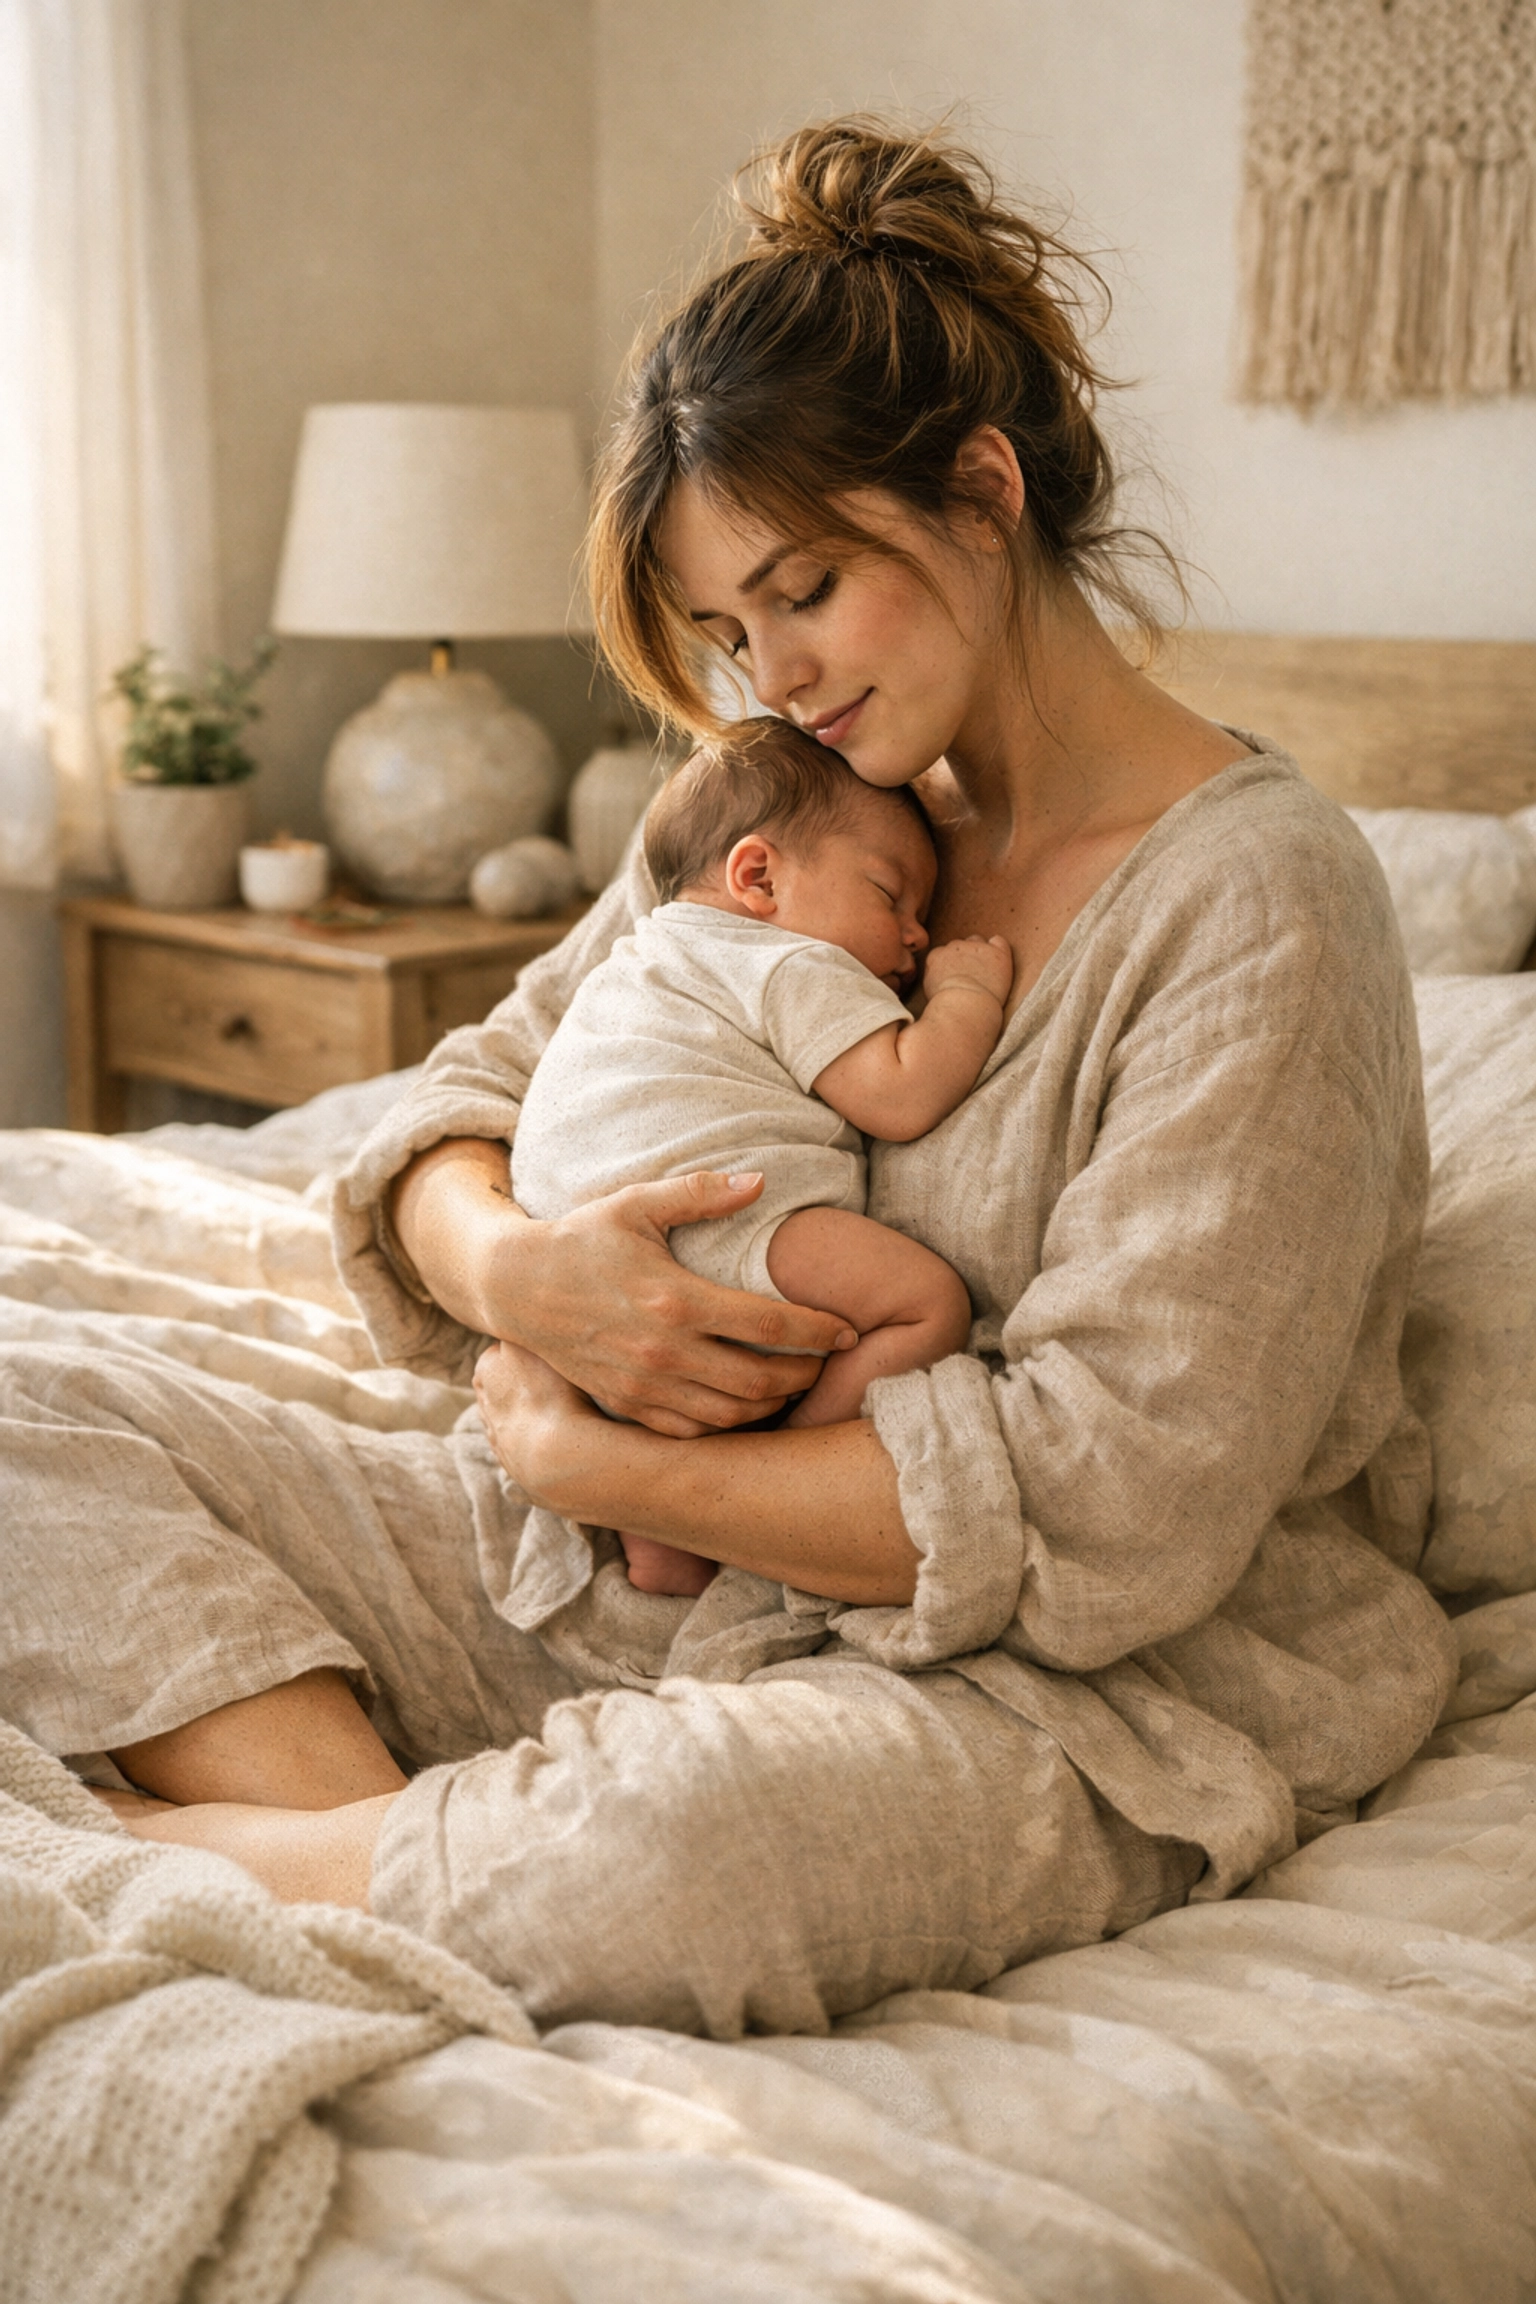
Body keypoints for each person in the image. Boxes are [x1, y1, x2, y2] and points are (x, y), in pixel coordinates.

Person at [3, 117, 1455, 2039]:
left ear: (982, 488)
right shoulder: (790, 810)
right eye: (727, 629)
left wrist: (589, 1448)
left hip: (1028, 1670)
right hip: (612, 1577)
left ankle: (229, 1858)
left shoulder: (1265, 902)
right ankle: (387, 1849)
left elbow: (1115, 1502)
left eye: (806, 588)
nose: (771, 671)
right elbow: (470, 1087)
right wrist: (518, 1274)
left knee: (679, 1849)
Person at [513, 718, 1013, 1596]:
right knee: (926, 1304)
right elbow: (899, 1096)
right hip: (714, 1217)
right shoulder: (787, 962)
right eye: (890, 895)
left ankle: (659, 1531)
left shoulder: (640, 956)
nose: (917, 938)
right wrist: (965, 997)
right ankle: (772, 1471)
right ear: (759, 876)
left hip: (578, 1246)